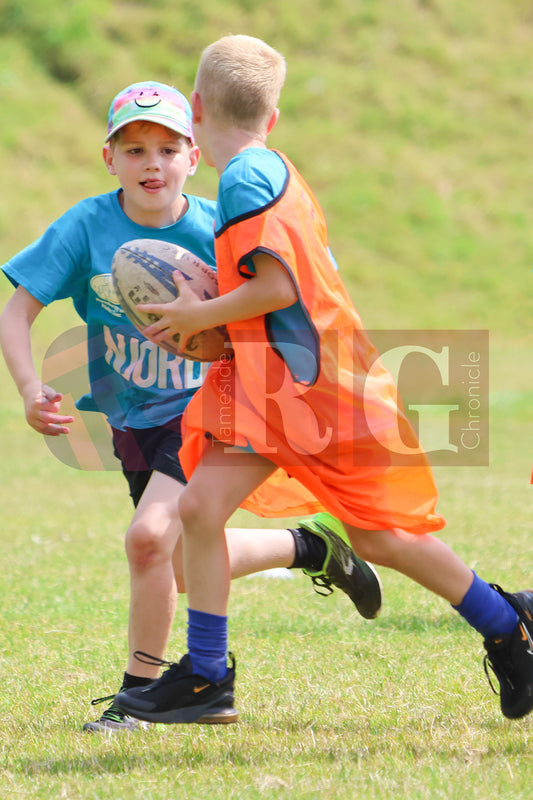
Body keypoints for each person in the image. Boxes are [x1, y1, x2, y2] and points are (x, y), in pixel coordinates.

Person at [112, 37, 533, 726]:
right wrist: (218, 326)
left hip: (320, 392)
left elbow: (278, 285)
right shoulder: (267, 168)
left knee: (378, 538)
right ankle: (207, 678)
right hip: (267, 390)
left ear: (194, 110)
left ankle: (505, 622)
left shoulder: (249, 176)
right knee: (197, 510)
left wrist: (200, 313)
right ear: (272, 116)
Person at [0, 80, 383, 733]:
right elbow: (18, 309)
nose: (151, 162)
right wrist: (31, 387)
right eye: (135, 148)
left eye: (168, 147)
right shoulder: (85, 226)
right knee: (179, 564)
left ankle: (137, 699)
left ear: (192, 156)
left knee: (148, 540)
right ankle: (309, 550)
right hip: (133, 420)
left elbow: (292, 285)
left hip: (212, 403)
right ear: (109, 158)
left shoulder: (218, 227)